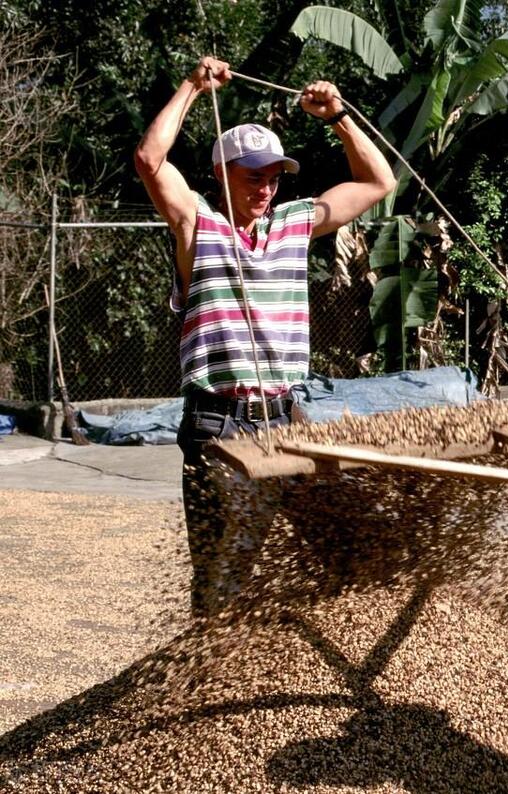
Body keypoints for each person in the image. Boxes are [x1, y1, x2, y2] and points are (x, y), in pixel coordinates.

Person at [134, 56, 396, 616]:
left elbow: (380, 182)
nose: (267, 189)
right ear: (222, 174)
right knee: (227, 574)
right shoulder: (197, 224)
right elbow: (150, 158)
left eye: (275, 177)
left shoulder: (294, 222)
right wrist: (191, 86)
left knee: (342, 546)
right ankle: (211, 668)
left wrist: (338, 117)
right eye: (255, 176)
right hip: (217, 422)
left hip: (284, 416)